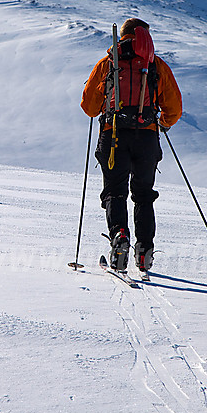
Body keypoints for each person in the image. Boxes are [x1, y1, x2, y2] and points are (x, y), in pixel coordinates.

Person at [81, 18, 183, 273]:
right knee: (144, 194)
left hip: (113, 135)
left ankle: (120, 238)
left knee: (115, 192)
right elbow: (174, 107)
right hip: (146, 136)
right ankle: (145, 251)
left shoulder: (108, 63)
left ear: (122, 36)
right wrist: (162, 122)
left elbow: (89, 107)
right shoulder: (156, 65)